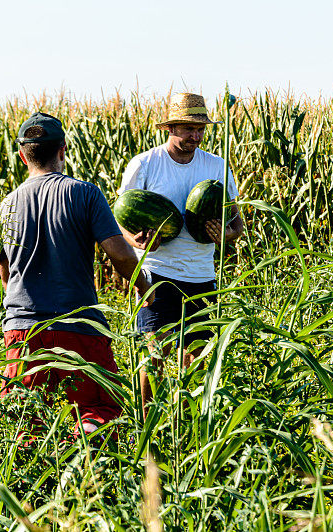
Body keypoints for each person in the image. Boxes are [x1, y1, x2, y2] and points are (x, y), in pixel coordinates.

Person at [0, 111, 152, 440]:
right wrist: (143, 286)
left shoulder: (7, 204)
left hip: (23, 331)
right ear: (63, 149)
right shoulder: (85, 194)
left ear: (23, 154)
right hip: (79, 326)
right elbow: (119, 252)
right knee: (100, 407)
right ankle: (86, 469)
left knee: (28, 417)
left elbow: (5, 273)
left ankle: (33, 485)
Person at [118, 93, 245, 411]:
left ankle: (189, 426)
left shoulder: (218, 167)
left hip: (202, 277)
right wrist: (138, 241)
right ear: (170, 127)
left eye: (200, 129)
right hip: (156, 276)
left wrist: (223, 236)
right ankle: (145, 430)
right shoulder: (146, 164)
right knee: (154, 357)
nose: (196, 136)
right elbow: (118, 219)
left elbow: (237, 224)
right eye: (188, 128)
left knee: (198, 361)